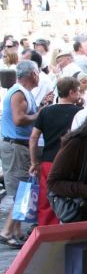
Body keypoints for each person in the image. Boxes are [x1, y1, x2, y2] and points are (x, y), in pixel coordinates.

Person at [28, 77, 83, 225]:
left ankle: (46, 234)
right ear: (71, 92)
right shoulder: (80, 112)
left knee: (46, 201)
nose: (80, 95)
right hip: (71, 162)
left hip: (48, 161)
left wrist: (34, 162)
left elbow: (34, 138)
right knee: (70, 199)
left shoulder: (45, 112)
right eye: (78, 91)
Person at [0, 61, 42, 247]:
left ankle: (15, 231)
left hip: (18, 145)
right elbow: (19, 119)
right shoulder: (18, 93)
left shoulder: (23, 93)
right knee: (21, 191)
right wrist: (40, 114)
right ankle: (7, 231)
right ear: (32, 74)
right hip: (15, 146)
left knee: (23, 189)